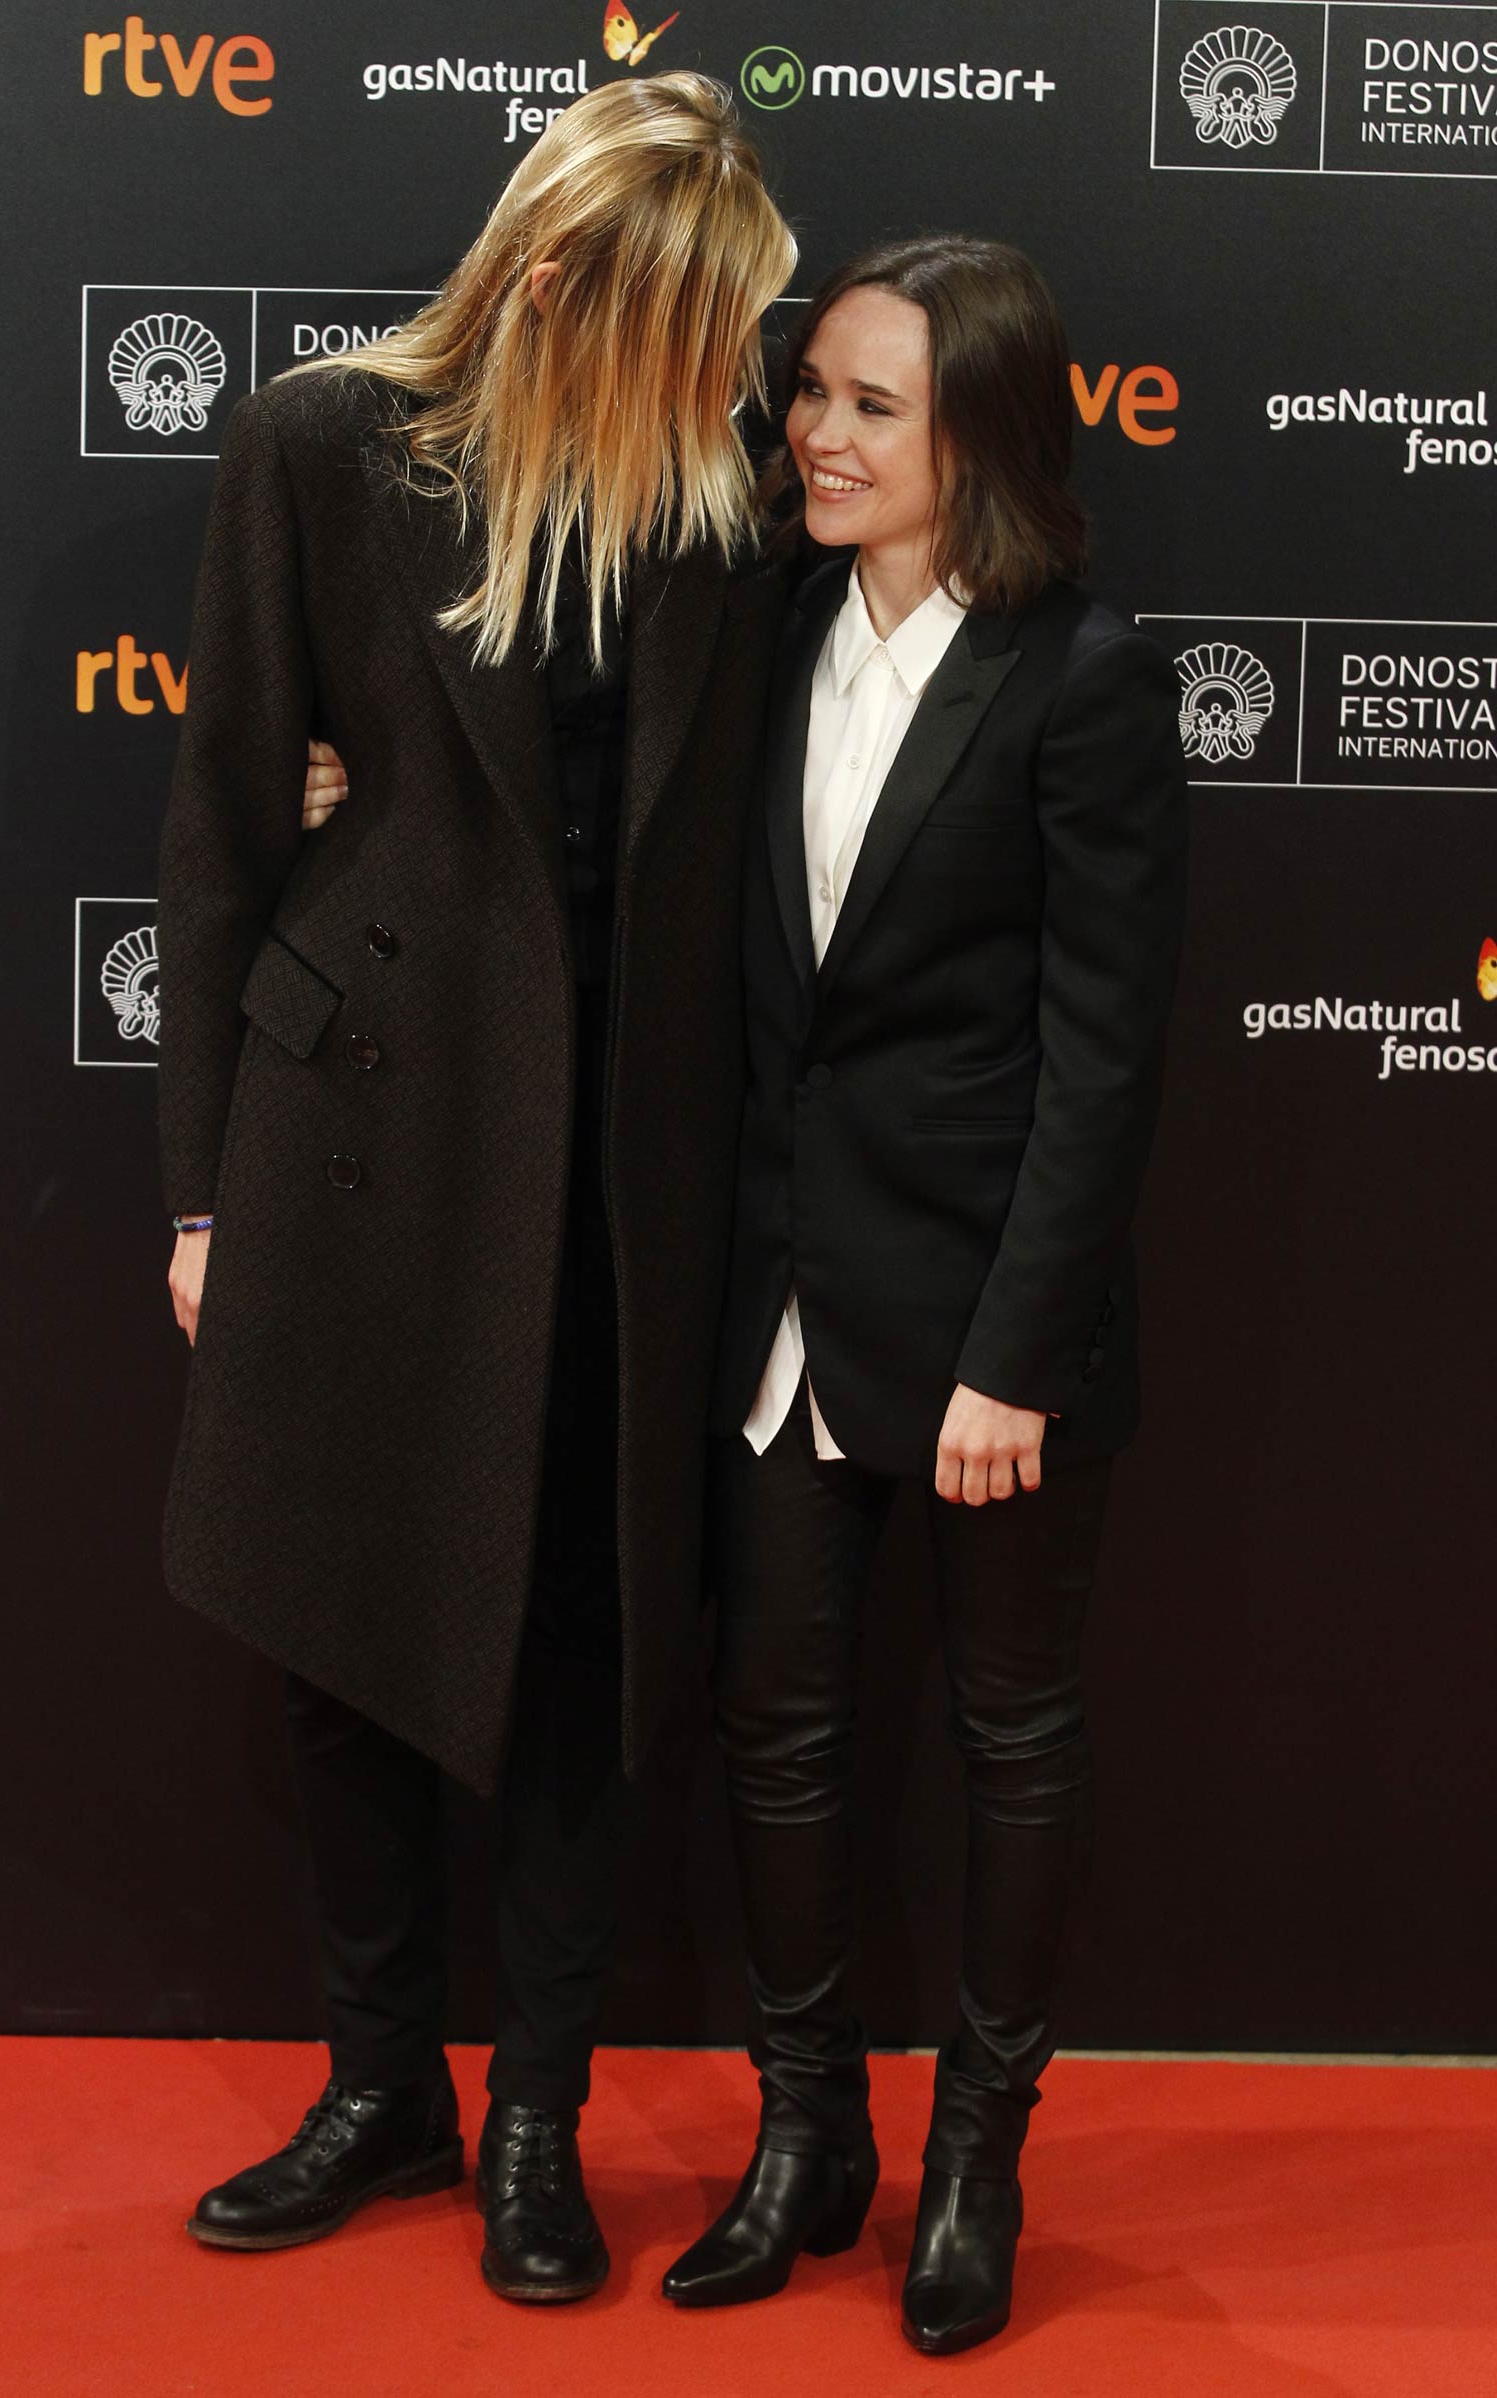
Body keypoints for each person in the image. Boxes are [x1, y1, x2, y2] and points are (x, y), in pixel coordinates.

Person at [155, 74, 795, 2301]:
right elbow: (229, 833)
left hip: (631, 1158)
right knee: (340, 1615)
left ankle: (535, 2109)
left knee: (579, 1630)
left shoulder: (726, 509)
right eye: (692, 327)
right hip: (361, 1128)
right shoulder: (320, 451)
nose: (731, 380)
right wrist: (197, 1194)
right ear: (554, 284)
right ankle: (377, 2087)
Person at [653, 237, 1190, 2353]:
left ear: (974, 435)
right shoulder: (772, 622)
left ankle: (976, 2149)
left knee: (1006, 1735)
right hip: (776, 1294)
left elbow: (1102, 1053)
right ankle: (807, 2137)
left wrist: (1010, 1357)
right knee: (772, 1726)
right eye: (812, 391)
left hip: (984, 1335)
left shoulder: (1080, 670)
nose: (816, 429)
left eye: (870, 403)